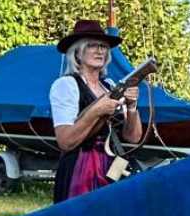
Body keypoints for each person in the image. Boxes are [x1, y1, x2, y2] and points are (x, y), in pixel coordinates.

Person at [50, 19, 142, 204]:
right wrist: (96, 111)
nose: (100, 50)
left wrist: (132, 107)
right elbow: (65, 141)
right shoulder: (66, 85)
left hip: (112, 166)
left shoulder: (110, 85)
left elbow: (133, 138)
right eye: (92, 45)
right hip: (80, 169)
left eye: (103, 46)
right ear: (78, 52)